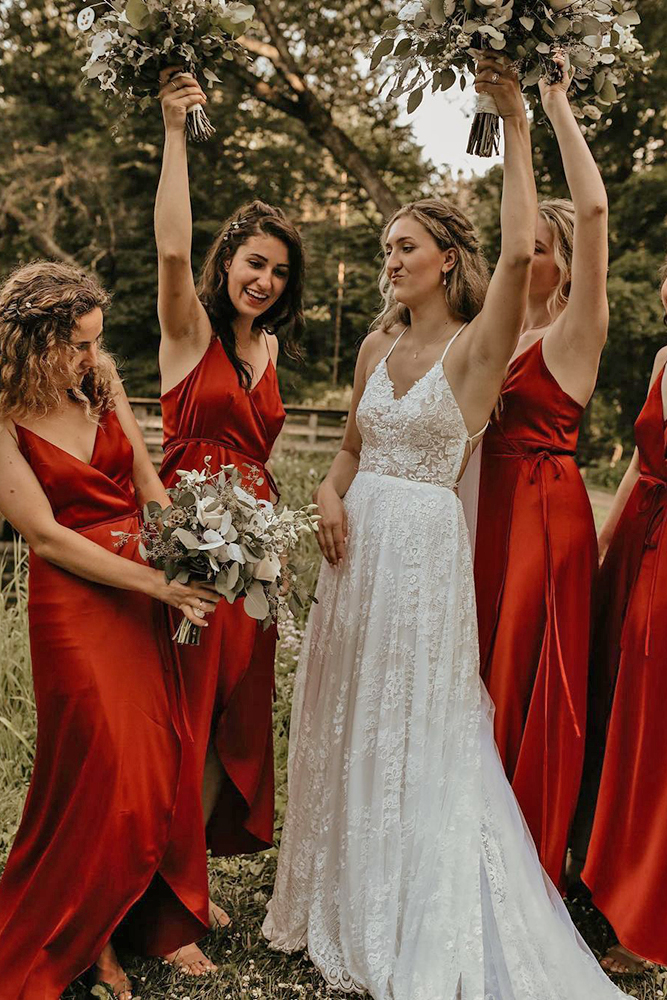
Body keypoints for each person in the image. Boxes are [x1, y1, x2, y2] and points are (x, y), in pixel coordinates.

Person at [262, 60, 625, 1000]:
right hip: (356, 554)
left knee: (411, 724)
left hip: (424, 554)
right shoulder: (375, 345)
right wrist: (328, 497)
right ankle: (332, 888)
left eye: (405, 246)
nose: (390, 259)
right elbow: (345, 451)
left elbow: (519, 250)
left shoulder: (477, 353)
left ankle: (405, 899)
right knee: (344, 715)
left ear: (446, 259)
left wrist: (514, 115)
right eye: (385, 246)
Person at [0, 261, 220, 999]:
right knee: (105, 769)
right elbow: (47, 536)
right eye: (77, 345)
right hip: (75, 602)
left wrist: (194, 552)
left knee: (160, 755)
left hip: (146, 586)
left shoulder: (100, 381)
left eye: (96, 342)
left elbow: (149, 484)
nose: (90, 359)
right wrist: (156, 581)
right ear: (32, 345)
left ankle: (151, 914)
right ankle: (86, 940)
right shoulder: (1, 413)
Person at [154, 70, 304, 925]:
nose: (266, 281)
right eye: (255, 263)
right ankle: (164, 899)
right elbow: (172, 250)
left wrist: (272, 547)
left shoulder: (273, 344)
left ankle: (191, 878)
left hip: (258, 554)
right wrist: (176, 131)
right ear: (229, 258)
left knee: (228, 716)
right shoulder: (188, 331)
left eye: (280, 272)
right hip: (190, 538)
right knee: (181, 709)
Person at [470, 57, 608, 890]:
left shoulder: (572, 337)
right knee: (481, 676)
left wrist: (548, 103)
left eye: (540, 247)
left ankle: (525, 868)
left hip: (542, 517)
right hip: (483, 518)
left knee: (528, 677)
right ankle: (473, 843)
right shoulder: (488, 338)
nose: (523, 252)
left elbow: (590, 209)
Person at [580, 268, 667, 976]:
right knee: (614, 709)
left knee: (654, 727)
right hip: (636, 539)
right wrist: (602, 548)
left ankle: (644, 921)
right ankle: (605, 877)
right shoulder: (663, 358)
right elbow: (642, 464)